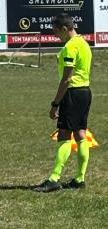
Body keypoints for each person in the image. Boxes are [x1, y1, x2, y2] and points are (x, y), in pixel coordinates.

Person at [33, 13, 93, 192]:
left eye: (57, 32)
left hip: (72, 93)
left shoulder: (70, 47)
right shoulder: (84, 43)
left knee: (64, 135)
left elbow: (67, 78)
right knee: (81, 133)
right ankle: (80, 178)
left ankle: (54, 178)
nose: (56, 36)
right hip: (85, 92)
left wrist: (55, 103)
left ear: (65, 29)